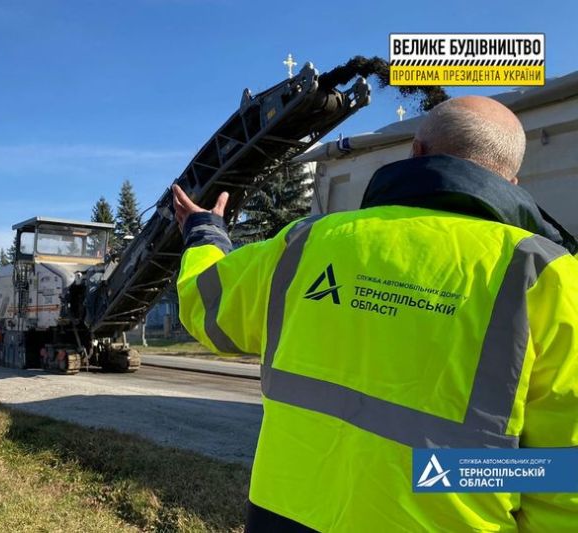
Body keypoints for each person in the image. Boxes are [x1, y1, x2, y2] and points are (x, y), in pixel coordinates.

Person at [172, 96, 578, 532]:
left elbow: (208, 305)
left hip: (283, 517)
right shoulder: (549, 277)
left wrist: (204, 233)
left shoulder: (308, 244)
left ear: (416, 152)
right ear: (513, 179)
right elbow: (561, 472)